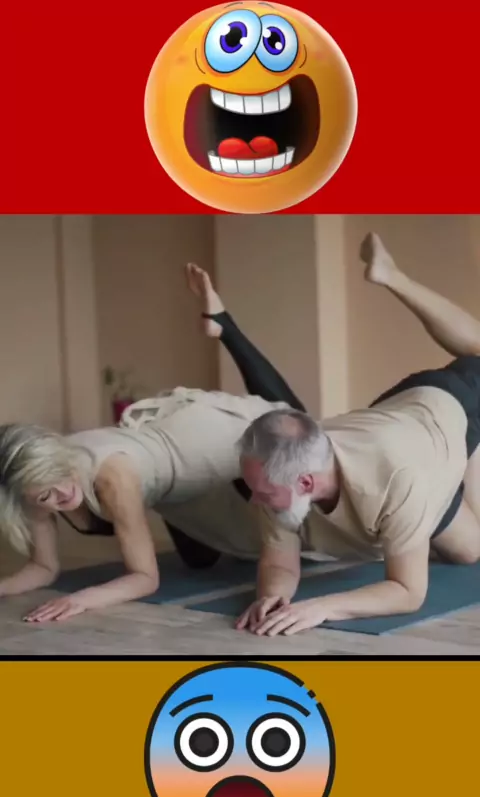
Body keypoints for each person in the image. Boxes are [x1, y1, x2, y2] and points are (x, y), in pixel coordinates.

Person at [0, 264, 312, 623]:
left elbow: (145, 578)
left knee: (296, 426)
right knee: (200, 561)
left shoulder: (110, 477)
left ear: (56, 453)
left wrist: (81, 600)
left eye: (57, 477)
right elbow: (43, 568)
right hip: (172, 485)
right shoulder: (29, 485)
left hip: (201, 439)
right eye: (45, 496)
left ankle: (224, 326)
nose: (60, 494)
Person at [236, 232, 480, 636]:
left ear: (305, 482)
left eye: (262, 492)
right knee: (470, 551)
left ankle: (394, 277)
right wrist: (272, 596)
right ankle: (452, 471)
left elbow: (408, 592)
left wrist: (322, 607)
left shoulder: (399, 476)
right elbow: (279, 561)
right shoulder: (279, 469)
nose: (254, 498)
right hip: (399, 420)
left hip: (447, 404)